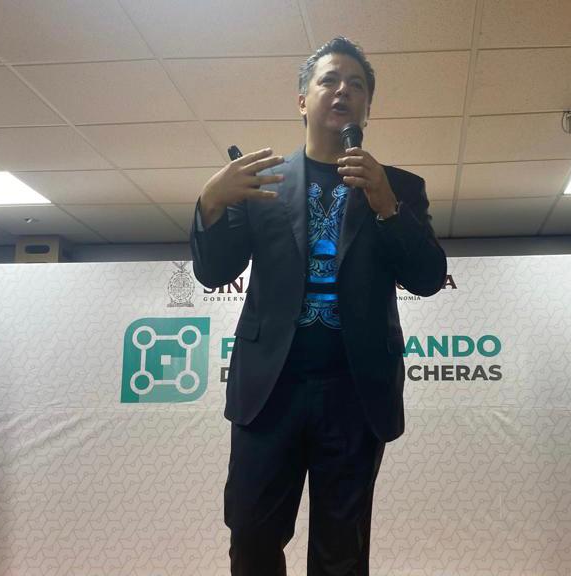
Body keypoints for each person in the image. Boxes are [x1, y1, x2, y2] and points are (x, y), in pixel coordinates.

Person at [190, 36, 447, 576]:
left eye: (356, 85)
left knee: (341, 552)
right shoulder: (262, 184)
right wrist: (211, 202)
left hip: (355, 392)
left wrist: (388, 208)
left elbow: (427, 278)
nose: (343, 91)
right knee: (251, 538)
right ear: (302, 101)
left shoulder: (399, 186)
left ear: (368, 107)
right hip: (269, 391)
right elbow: (214, 272)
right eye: (329, 80)